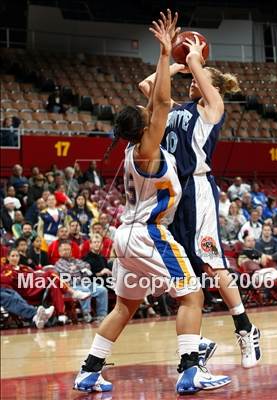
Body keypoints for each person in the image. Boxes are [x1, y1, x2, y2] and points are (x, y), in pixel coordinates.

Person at [74, 11, 230, 394]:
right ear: (144, 127)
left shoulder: (133, 149)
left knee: (124, 307)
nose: (152, 115)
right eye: (148, 117)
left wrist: (173, 63)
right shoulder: (148, 148)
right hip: (148, 234)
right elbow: (160, 101)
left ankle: (89, 370)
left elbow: (157, 102)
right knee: (192, 294)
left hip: (125, 237)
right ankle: (191, 370)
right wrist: (165, 54)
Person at [139, 12, 261, 369]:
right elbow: (147, 86)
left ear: (211, 85)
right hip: (175, 194)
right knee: (184, 274)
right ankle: (197, 344)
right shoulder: (178, 109)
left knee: (212, 263)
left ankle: (245, 328)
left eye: (199, 78)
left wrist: (194, 58)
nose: (193, 79)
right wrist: (174, 64)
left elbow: (196, 64)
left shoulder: (213, 109)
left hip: (200, 190)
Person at [55, 241, 108, 323]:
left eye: (68, 249)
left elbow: (88, 266)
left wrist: (77, 267)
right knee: (85, 290)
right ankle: (86, 314)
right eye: (64, 250)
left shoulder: (76, 261)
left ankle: (102, 315)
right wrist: (80, 270)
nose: (66, 251)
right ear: (59, 252)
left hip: (85, 283)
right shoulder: (59, 263)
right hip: (71, 287)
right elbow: (69, 272)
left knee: (102, 290)